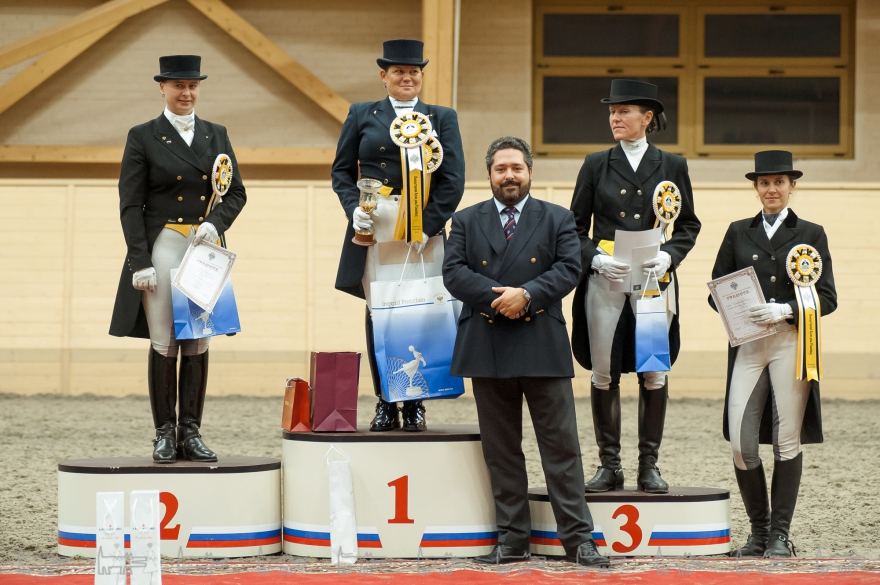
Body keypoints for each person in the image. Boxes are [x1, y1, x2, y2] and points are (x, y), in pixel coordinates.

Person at [443, 137, 608, 567]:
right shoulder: (465, 220)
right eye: (501, 169)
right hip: (487, 342)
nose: (509, 175)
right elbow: (453, 273)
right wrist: (501, 299)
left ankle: (579, 541)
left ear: (530, 172)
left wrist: (528, 295)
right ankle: (513, 540)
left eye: (516, 167)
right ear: (490, 175)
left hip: (542, 344)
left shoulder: (558, 218)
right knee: (502, 452)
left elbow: (569, 268)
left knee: (562, 449)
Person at [109, 55, 246, 463]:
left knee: (198, 340)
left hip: (202, 249)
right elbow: (130, 204)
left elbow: (236, 192)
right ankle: (164, 433)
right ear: (163, 88)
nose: (186, 93)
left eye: (193, 86)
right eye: (178, 86)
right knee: (165, 341)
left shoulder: (216, 134)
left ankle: (192, 430)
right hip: (164, 246)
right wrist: (140, 261)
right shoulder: (143, 136)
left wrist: (216, 223)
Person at [570, 79, 701, 493]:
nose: (614, 118)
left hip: (651, 278)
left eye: (623, 111)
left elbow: (688, 224)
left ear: (647, 117)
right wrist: (594, 257)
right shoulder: (596, 163)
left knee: (653, 370)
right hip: (607, 277)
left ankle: (649, 465)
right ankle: (609, 465)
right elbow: (575, 228)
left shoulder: (672, 164)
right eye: (612, 111)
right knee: (603, 371)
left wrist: (670, 255)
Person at [332, 39, 465, 432]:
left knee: (421, 309)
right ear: (384, 75)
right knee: (381, 311)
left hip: (423, 227)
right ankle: (386, 401)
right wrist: (353, 209)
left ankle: (417, 402)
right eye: (399, 71)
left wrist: (429, 224)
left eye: (414, 72)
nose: (407, 77)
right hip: (377, 223)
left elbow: (453, 179)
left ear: (421, 76)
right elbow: (341, 171)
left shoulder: (442, 117)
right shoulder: (361, 113)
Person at [710, 150, 836, 557]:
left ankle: (779, 535)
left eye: (779, 182)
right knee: (740, 443)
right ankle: (759, 531)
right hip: (749, 344)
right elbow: (716, 289)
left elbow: (828, 297)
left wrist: (787, 309)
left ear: (791, 185)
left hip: (790, 343)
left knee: (786, 439)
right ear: (756, 187)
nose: (771, 189)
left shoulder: (811, 233)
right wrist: (736, 306)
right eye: (764, 183)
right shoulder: (737, 231)